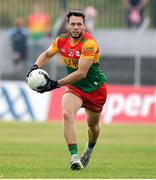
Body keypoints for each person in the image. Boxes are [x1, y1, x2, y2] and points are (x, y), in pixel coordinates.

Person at [26, 11, 107, 171]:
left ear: (84, 26)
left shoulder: (89, 43)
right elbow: (47, 54)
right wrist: (34, 68)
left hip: (95, 88)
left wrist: (55, 84)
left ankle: (88, 151)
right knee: (66, 114)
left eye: (79, 24)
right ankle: (75, 158)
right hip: (75, 87)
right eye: (73, 24)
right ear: (67, 25)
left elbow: (81, 73)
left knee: (93, 127)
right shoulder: (61, 40)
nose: (76, 27)